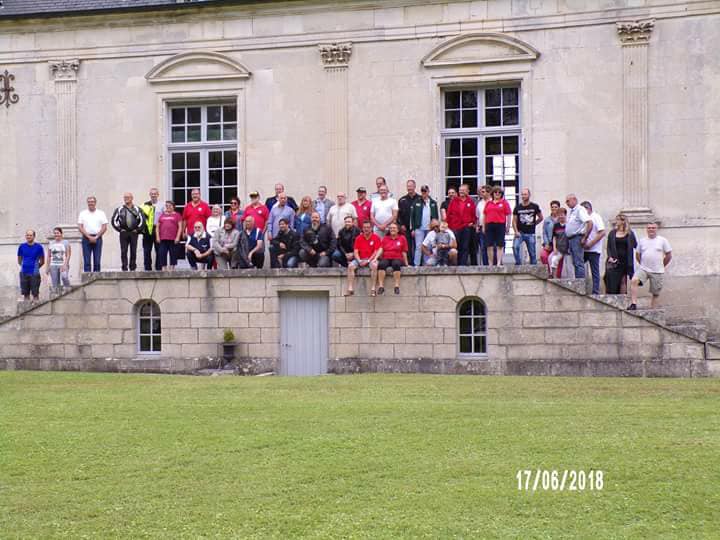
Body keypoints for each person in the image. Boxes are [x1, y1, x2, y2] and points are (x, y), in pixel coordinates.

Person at [628, 222, 672, 310]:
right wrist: (642, 263)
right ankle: (633, 304)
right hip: (644, 268)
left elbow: (669, 255)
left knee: (655, 293)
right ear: (646, 229)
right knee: (634, 280)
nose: (651, 229)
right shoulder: (642, 241)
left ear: (656, 229)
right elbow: (637, 254)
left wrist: (662, 265)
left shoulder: (662, 240)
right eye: (649, 228)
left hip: (657, 270)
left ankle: (653, 310)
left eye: (653, 228)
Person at [111, 192, 145, 272]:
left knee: (133, 251)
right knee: (124, 251)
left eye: (128, 197)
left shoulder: (137, 209)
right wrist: (120, 230)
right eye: (125, 197)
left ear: (132, 198)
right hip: (123, 233)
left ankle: (133, 268)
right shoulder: (119, 209)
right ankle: (124, 268)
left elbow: (142, 221)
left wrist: (137, 230)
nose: (126, 198)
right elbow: (114, 221)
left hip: (134, 233)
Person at [604, 214, 637, 294]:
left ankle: (623, 299)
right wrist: (610, 257)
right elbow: (608, 246)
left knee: (623, 280)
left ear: (623, 221)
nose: (616, 222)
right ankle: (612, 296)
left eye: (618, 220)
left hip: (625, 260)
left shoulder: (630, 234)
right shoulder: (612, 233)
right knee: (610, 278)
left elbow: (635, 245)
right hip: (614, 260)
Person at [346, 220, 381, 296]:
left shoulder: (376, 238)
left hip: (371, 259)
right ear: (362, 228)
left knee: (374, 266)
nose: (366, 229)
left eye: (368, 227)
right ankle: (350, 289)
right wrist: (359, 260)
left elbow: (376, 252)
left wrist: (368, 261)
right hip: (360, 259)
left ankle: (373, 289)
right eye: (364, 227)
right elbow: (355, 251)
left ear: (371, 228)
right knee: (350, 266)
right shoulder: (358, 238)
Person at [446, 184, 476, 266]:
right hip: (455, 227)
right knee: (456, 246)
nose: (461, 191)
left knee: (465, 247)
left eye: (463, 190)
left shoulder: (470, 201)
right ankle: (456, 264)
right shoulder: (454, 201)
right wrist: (448, 226)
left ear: (468, 191)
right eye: (460, 190)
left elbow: (473, 215)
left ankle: (462, 264)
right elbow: (449, 214)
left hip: (466, 227)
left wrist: (472, 222)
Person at [580, 201, 606, 294]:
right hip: (584, 248)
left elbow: (602, 232)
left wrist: (590, 243)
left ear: (588, 208)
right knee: (579, 266)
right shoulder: (584, 219)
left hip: (594, 249)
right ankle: (581, 287)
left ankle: (595, 291)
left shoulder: (596, 217)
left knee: (594, 271)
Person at [512, 188, 543, 265]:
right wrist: (516, 232)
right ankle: (518, 264)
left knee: (532, 253)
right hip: (520, 232)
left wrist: (534, 223)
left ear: (529, 195)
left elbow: (541, 217)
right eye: (522, 194)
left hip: (530, 233)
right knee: (515, 247)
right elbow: (514, 221)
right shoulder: (517, 207)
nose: (523, 196)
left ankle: (533, 267)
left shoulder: (534, 206)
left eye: (525, 194)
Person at [564, 194, 592, 279]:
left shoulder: (580, 210)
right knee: (575, 262)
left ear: (574, 200)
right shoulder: (573, 211)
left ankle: (581, 283)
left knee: (578, 262)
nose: (567, 203)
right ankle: (578, 281)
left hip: (577, 238)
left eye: (568, 201)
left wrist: (585, 237)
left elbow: (589, 223)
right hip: (571, 239)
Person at [409, 184, 439, 266]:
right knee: (418, 247)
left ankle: (427, 264)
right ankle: (416, 265)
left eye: (425, 191)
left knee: (428, 247)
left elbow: (436, 216)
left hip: (430, 229)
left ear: (428, 191)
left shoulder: (433, 203)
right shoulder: (416, 202)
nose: (424, 193)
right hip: (419, 228)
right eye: (422, 191)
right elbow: (412, 217)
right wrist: (412, 229)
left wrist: (436, 228)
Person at [77, 196, 108, 272]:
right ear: (87, 203)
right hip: (86, 238)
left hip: (98, 238)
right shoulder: (83, 213)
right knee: (87, 261)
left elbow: (104, 227)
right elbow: (80, 227)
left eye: (92, 201)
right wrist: (89, 236)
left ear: (95, 203)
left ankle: (97, 280)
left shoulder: (101, 213)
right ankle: (87, 280)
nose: (91, 203)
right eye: (89, 202)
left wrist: (96, 237)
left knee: (97, 261)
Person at [483, 187, 512, 266]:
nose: (497, 194)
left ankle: (499, 262)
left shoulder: (504, 203)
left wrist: (508, 226)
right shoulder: (488, 203)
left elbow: (509, 215)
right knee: (489, 245)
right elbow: (485, 215)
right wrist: (483, 226)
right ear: (493, 193)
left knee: (500, 245)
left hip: (500, 225)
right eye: (495, 192)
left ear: (501, 194)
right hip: (489, 225)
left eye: (499, 192)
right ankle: (490, 263)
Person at [377, 222, 409, 295]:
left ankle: (396, 286)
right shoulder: (385, 238)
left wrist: (406, 264)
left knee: (396, 264)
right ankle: (381, 286)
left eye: (394, 228)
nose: (392, 229)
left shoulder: (402, 238)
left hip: (398, 258)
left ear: (398, 230)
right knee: (381, 264)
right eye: (390, 228)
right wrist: (375, 258)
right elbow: (381, 249)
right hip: (387, 257)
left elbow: (404, 252)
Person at [17, 229, 44, 304]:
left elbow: (42, 261)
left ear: (34, 236)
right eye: (27, 235)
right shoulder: (21, 246)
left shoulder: (39, 247)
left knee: (35, 294)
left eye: (30, 235)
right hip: (23, 273)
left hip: (34, 273)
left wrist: (35, 268)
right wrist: (24, 266)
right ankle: (26, 309)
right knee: (25, 294)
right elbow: (19, 260)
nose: (28, 237)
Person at [398, 179, 421, 263]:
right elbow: (399, 215)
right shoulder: (402, 200)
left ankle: (418, 263)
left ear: (415, 187)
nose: (409, 188)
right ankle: (409, 262)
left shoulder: (420, 199)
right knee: (407, 246)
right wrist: (401, 225)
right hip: (406, 227)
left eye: (411, 186)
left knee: (418, 246)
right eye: (408, 186)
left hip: (418, 227)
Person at [155, 201, 182, 271]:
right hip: (163, 238)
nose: (168, 207)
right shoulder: (162, 215)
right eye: (167, 206)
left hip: (173, 238)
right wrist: (157, 236)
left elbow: (180, 227)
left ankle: (172, 268)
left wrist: (178, 237)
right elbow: (157, 227)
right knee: (162, 253)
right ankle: (164, 268)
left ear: (173, 207)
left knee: (173, 254)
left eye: (170, 205)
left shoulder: (177, 215)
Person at [140, 187, 162, 271]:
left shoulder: (162, 205)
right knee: (147, 250)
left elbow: (164, 217)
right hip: (147, 230)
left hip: (158, 229)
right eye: (152, 194)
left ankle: (158, 269)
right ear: (150, 195)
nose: (153, 195)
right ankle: (147, 269)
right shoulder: (144, 205)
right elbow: (140, 217)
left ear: (158, 195)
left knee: (159, 251)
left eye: (155, 194)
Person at [46, 227, 71, 295]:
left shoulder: (66, 242)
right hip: (53, 265)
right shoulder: (51, 243)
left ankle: (68, 288)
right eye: (55, 233)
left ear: (61, 234)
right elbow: (48, 256)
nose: (56, 234)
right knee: (55, 283)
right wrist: (47, 267)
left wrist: (65, 265)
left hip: (62, 264)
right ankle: (57, 295)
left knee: (64, 277)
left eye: (58, 233)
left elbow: (68, 255)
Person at [540, 200, 561, 274]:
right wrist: (546, 243)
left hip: (559, 245)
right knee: (543, 255)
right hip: (549, 243)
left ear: (559, 208)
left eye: (556, 207)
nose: (554, 208)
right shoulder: (547, 220)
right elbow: (544, 232)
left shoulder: (561, 219)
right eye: (552, 207)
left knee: (557, 259)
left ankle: (557, 276)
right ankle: (549, 273)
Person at [549, 208, 569, 278]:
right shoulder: (556, 225)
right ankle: (553, 276)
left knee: (568, 267)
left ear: (565, 215)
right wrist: (554, 248)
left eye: (562, 214)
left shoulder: (569, 225)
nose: (560, 216)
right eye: (559, 215)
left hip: (568, 249)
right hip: (559, 248)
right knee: (552, 259)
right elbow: (554, 237)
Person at [475, 185, 491, 265]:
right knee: (483, 247)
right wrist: (477, 226)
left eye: (483, 192)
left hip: (491, 227)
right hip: (482, 227)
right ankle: (485, 265)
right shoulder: (479, 203)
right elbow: (478, 216)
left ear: (489, 193)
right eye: (481, 192)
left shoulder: (492, 202)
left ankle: (494, 264)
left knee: (492, 247)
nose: (481, 193)